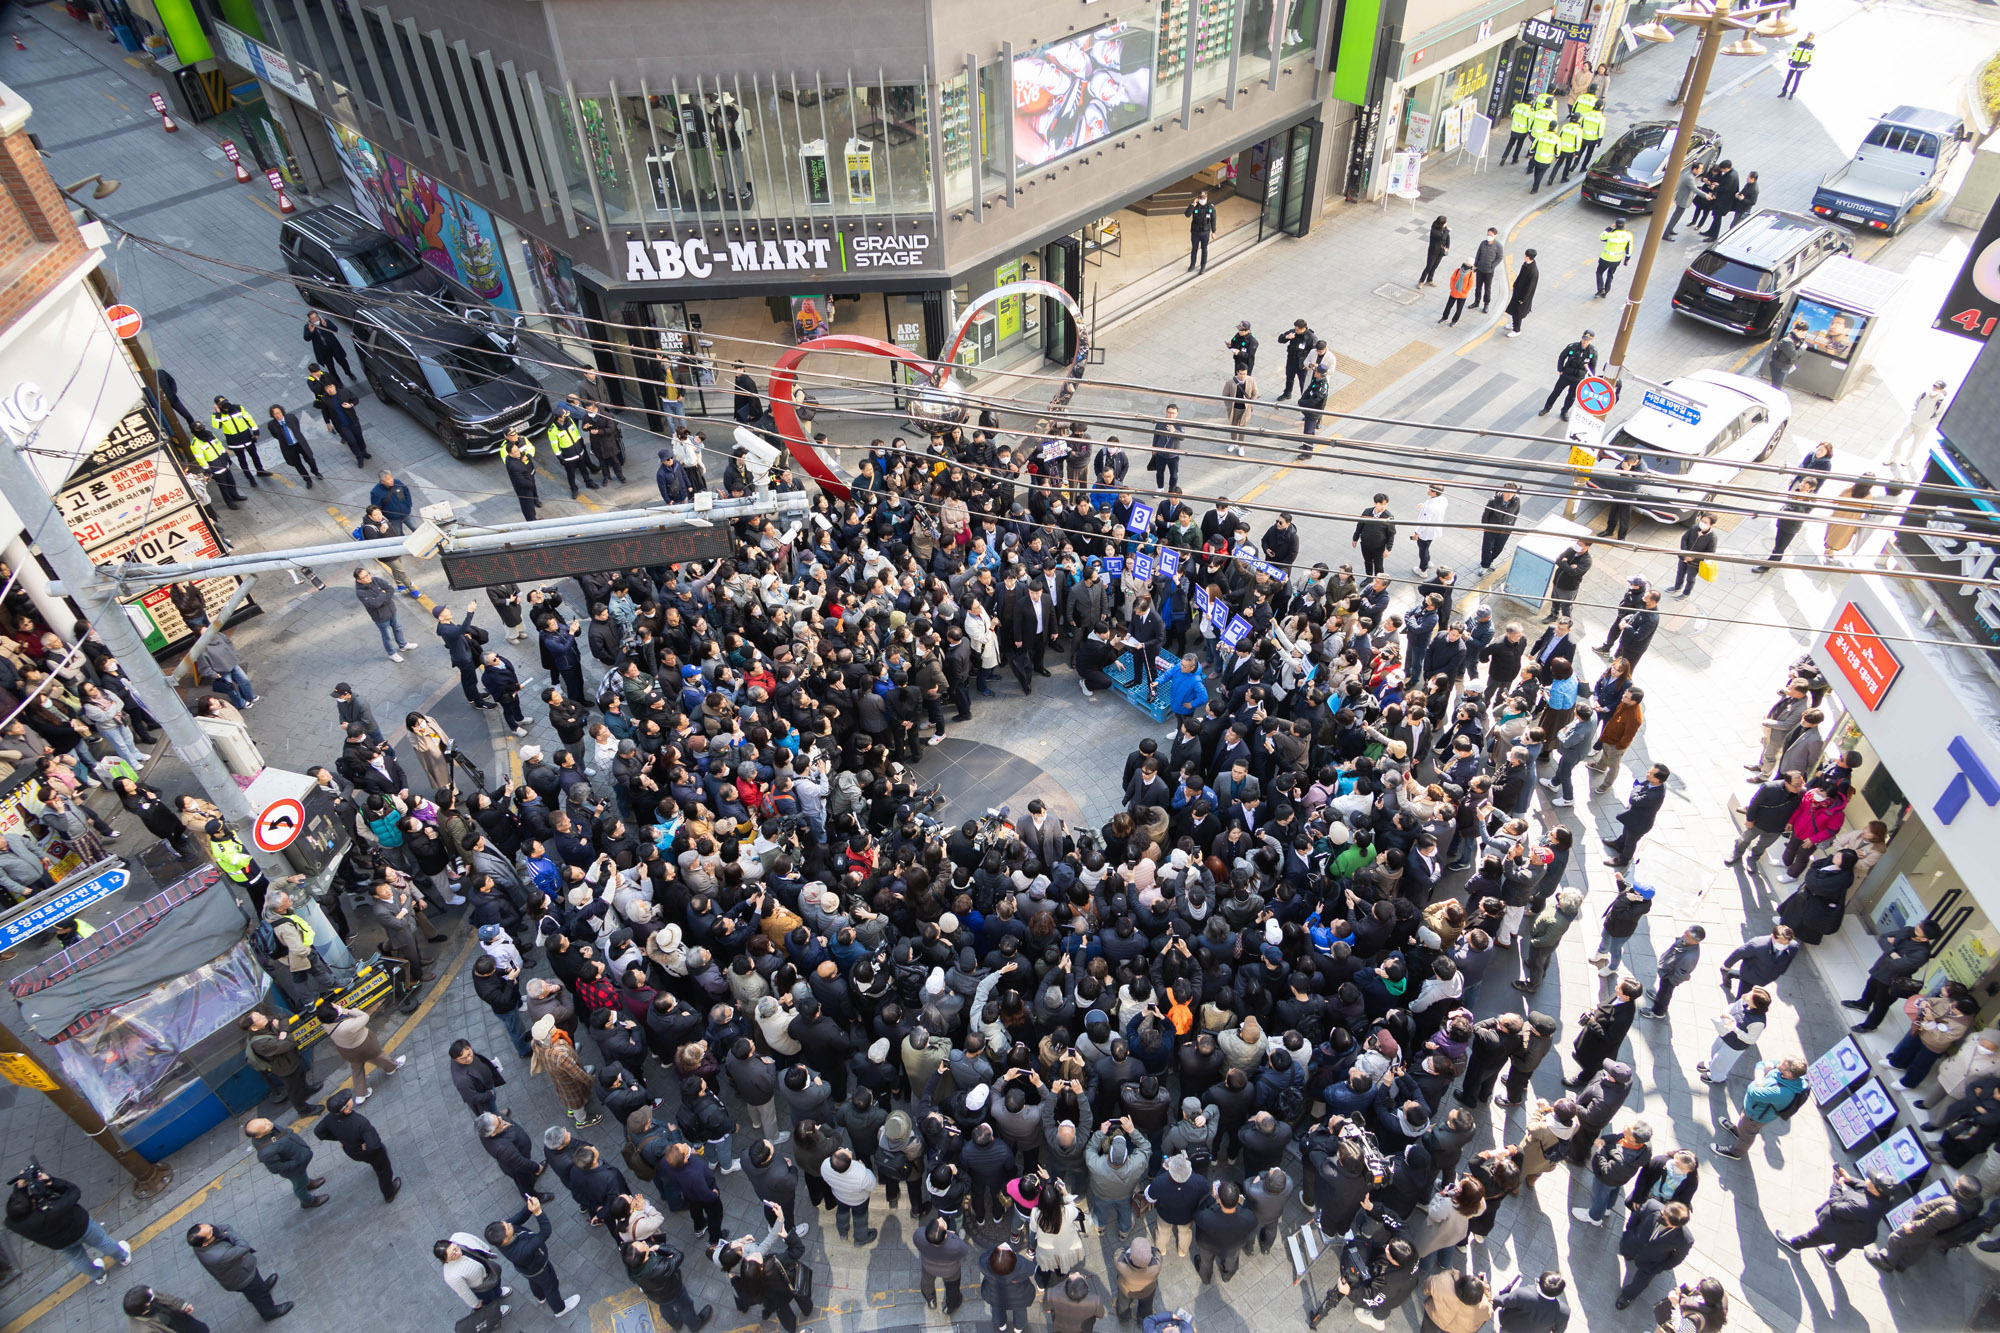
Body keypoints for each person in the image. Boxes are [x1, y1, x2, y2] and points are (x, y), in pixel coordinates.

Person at [5, 1167, 131, 1283]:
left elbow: (19, 1207)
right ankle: (122, 1257)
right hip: (81, 1227)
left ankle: (98, 1275)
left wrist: (19, 1187)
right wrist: (50, 1181)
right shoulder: (54, 1210)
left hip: (59, 1243)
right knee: (102, 1242)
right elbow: (73, 1191)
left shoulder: (12, 1223)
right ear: (32, 1206)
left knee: (78, 1259)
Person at [485, 1195, 582, 1318]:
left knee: (534, 1282)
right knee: (551, 1287)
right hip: (539, 1268)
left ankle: (540, 1297)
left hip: (529, 1271)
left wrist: (528, 1208)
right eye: (507, 1227)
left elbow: (519, 1218)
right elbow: (544, 1233)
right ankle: (560, 1309)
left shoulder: (501, 1234)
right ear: (504, 1240)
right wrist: (538, 1212)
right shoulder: (520, 1252)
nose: (509, 1224)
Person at [1777, 1166, 1894, 1264]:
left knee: (1817, 1235)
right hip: (1861, 1233)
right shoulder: (1887, 1199)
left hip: (1841, 1228)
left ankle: (1795, 1244)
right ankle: (1831, 1258)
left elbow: (1836, 1207)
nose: (1868, 1177)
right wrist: (1849, 1180)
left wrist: (1836, 1185)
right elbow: (1865, 1187)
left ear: (1876, 1191)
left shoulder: (1862, 1206)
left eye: (1871, 1179)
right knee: (1845, 1245)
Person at [186, 1222, 293, 1322]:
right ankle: (269, 1312)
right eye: (210, 1231)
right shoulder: (219, 1256)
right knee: (258, 1292)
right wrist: (229, 1234)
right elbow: (243, 1246)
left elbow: (225, 1226)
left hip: (240, 1272)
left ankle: (262, 1289)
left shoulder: (199, 1245)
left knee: (255, 1291)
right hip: (244, 1277)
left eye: (209, 1226)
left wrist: (225, 1233)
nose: (213, 1228)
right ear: (205, 1243)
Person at [312, 1087, 402, 1201]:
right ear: (346, 1109)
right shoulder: (360, 1123)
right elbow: (374, 1145)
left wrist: (340, 1138)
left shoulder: (329, 1118)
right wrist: (367, 1149)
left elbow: (318, 1132)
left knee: (373, 1161)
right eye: (349, 1100)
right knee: (384, 1170)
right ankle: (389, 1193)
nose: (351, 1099)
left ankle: (374, 1165)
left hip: (351, 1151)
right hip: (368, 1152)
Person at [1711, 1056, 1806, 1159]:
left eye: (1783, 1063)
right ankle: (1739, 1132)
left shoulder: (1783, 1093)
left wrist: (1760, 1079)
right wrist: (1760, 1082)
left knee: (1747, 1134)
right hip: (1752, 1108)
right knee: (1744, 1124)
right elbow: (1760, 1064)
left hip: (1756, 1116)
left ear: (1789, 1074)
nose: (1779, 1062)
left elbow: (1752, 1091)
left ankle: (1736, 1153)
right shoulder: (1784, 1071)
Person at [1615, 1199, 1693, 1310]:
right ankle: (1630, 1255)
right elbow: (1635, 1218)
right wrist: (1629, 1234)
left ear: (1674, 1226)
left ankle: (1627, 1296)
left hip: (1652, 1262)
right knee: (1626, 1251)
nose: (1661, 1214)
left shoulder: (1685, 1239)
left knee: (1640, 1283)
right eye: (1663, 1212)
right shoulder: (1651, 1205)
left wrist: (1660, 1267)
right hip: (1634, 1244)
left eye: (1665, 1217)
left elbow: (1677, 1258)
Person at [1572, 1119, 1651, 1225]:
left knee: (1599, 1196)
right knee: (1613, 1191)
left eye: (1627, 1128)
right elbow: (1620, 1137)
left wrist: (1601, 1149)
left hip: (1607, 1179)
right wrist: (1605, 1140)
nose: (1625, 1125)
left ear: (1632, 1138)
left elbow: (1605, 1169)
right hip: (1619, 1178)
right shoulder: (1644, 1145)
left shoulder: (1623, 1160)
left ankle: (1594, 1217)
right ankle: (1607, 1208)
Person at [623, 1237, 712, 1330]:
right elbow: (679, 1255)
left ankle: (676, 1324)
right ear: (644, 1257)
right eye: (642, 1245)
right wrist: (658, 1247)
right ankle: (695, 1325)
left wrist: (663, 1260)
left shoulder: (630, 1265)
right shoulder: (659, 1267)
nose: (644, 1242)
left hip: (655, 1295)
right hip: (673, 1291)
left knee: (665, 1308)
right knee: (686, 1307)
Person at [245, 1118, 326, 1209]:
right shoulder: (266, 1152)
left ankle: (307, 1183)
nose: (269, 1123)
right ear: (258, 1136)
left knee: (302, 1177)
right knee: (299, 1186)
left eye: (265, 1120)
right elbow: (276, 1168)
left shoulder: (271, 1128)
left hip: (299, 1161)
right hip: (294, 1170)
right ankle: (308, 1201)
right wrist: (296, 1163)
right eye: (265, 1126)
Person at [1602, 766, 1668, 867]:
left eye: (1650, 773)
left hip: (1639, 824)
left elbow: (1634, 800)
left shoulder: (1654, 795)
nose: (1647, 773)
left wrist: (1636, 788)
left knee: (1630, 842)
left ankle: (1623, 860)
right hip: (1634, 817)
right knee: (1626, 833)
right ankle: (1618, 844)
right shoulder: (1654, 783)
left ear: (1656, 780)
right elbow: (1642, 785)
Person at [352, 567, 413, 662]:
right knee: (387, 636)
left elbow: (390, 590)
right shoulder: (361, 593)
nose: (368, 577)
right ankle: (391, 653)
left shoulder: (376, 580)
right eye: (364, 577)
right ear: (359, 580)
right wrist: (382, 594)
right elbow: (374, 604)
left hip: (392, 611)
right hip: (381, 617)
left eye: (368, 574)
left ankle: (403, 645)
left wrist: (381, 599)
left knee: (398, 628)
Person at [1886, 380, 1950, 469]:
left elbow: (1939, 416)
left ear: (1941, 390)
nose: (1935, 388)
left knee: (1916, 444)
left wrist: (1929, 423)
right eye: (1934, 386)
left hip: (1924, 427)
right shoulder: (1924, 394)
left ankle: (1908, 459)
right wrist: (1914, 414)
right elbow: (1916, 404)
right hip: (1913, 422)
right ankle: (1893, 457)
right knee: (1900, 439)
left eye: (1938, 387)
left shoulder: (1941, 401)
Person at [1644, 926, 1704, 1018]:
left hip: (1670, 978)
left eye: (1687, 936)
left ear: (1695, 941)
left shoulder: (1689, 957)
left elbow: (1681, 974)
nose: (1684, 936)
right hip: (1667, 972)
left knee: (1665, 994)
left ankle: (1658, 1012)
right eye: (1685, 933)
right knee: (1662, 991)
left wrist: (1670, 980)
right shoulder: (1685, 943)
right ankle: (1658, 996)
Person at [915, 1215, 970, 1313]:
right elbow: (964, 1253)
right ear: (945, 1235)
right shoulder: (956, 1245)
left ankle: (931, 1301)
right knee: (952, 1289)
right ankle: (950, 1307)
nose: (940, 1218)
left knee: (926, 1282)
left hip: (928, 1267)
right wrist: (952, 1236)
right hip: (951, 1271)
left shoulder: (919, 1235)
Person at [981, 1243, 1038, 1333]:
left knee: (997, 1310)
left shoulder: (985, 1264)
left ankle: (1001, 1325)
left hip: (995, 1295)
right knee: (1020, 1312)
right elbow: (1032, 1268)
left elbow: (983, 1257)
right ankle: (1019, 1327)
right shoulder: (1021, 1266)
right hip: (1019, 1296)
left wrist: (995, 1249)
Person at [1541, 332, 1597, 420]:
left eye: (1587, 340)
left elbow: (1593, 366)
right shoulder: (1573, 347)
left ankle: (1564, 411)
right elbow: (1562, 357)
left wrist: (1590, 379)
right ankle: (1547, 408)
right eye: (1584, 339)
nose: (1585, 341)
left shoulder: (1592, 351)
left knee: (1571, 397)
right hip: (1566, 375)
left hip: (1578, 378)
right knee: (1555, 393)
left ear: (1591, 340)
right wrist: (1560, 369)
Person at [265, 405, 322, 489]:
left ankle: (316, 472)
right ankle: (307, 480)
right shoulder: (272, 425)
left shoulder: (291, 417)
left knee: (310, 459)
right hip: (289, 447)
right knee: (298, 464)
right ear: (272, 415)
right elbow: (275, 435)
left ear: (282, 412)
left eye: (278, 413)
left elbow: (297, 426)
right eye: (275, 414)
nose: (278, 415)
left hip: (299, 443)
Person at [1492, 1271, 1568, 1333]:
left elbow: (1500, 1301)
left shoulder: (1522, 1294)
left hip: (1510, 1327)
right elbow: (1558, 1331)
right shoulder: (1564, 1312)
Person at [1423, 1269, 1492, 1333]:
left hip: (1433, 1318)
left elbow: (1426, 1287)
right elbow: (1489, 1313)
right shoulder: (1483, 1307)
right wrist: (1486, 1289)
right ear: (1478, 1299)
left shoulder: (1444, 1281)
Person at [1671, 514, 1718, 600]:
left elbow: (1710, 553)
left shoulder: (1712, 537)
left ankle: (1686, 593)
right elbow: (1684, 539)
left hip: (1694, 563)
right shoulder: (1694, 528)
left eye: (1705, 522)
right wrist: (1685, 554)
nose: (1702, 523)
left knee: (1690, 579)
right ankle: (1677, 586)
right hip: (1684, 557)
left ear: (1711, 524)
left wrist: (1693, 558)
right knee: (1680, 572)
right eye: (1702, 521)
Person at [121, 1287, 207, 1332]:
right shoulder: (143, 1330)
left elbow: (166, 1297)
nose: (153, 1293)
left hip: (183, 1321)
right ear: (146, 1304)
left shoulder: (148, 1294)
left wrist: (182, 1305)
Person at [1221, 364, 1257, 455]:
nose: (1243, 376)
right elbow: (1225, 395)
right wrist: (1229, 406)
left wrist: (1250, 404)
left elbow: (1255, 393)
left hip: (1245, 409)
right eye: (1241, 374)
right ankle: (1233, 442)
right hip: (1234, 409)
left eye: (1245, 374)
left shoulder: (1251, 380)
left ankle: (1241, 446)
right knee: (1233, 426)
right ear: (1237, 372)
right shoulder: (1230, 382)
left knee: (1243, 428)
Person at [1148, 404, 1185, 491]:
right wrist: (1154, 448)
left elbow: (1182, 437)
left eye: (1173, 413)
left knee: (1174, 475)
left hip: (1173, 455)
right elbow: (1156, 435)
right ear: (1166, 412)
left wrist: (1174, 431)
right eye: (1169, 412)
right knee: (1159, 472)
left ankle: (1171, 490)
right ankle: (1160, 487)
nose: (1170, 415)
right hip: (1160, 453)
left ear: (1176, 414)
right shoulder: (1161, 423)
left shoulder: (1179, 424)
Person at [303, 311, 351, 377]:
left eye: (316, 317)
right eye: (313, 319)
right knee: (330, 367)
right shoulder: (308, 326)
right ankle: (337, 381)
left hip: (333, 346)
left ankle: (349, 373)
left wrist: (327, 325)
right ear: (310, 320)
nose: (315, 320)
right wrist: (311, 332)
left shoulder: (325, 321)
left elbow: (335, 329)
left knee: (342, 361)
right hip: (323, 350)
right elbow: (306, 338)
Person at [1504, 250, 1538, 337]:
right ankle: (1513, 324)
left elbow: (1530, 287)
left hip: (1522, 296)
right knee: (1514, 310)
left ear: (1528, 256)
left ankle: (1517, 329)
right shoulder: (1526, 265)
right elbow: (1520, 275)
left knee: (1518, 312)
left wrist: (1523, 299)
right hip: (1518, 292)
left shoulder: (1533, 271)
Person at [1595, 223, 1633, 298]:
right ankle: (1605, 292)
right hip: (1616, 260)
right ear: (1624, 225)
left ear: (1615, 225)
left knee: (1599, 272)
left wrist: (1609, 228)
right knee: (1610, 275)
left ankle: (1600, 289)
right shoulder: (1628, 236)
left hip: (1605, 258)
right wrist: (1627, 259)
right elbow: (1629, 249)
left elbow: (1601, 237)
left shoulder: (1611, 234)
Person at [1766, 321, 1804, 392]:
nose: (1803, 335)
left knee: (1777, 386)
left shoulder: (1794, 338)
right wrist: (1803, 348)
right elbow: (1794, 355)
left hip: (1783, 366)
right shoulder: (1788, 341)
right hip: (1780, 367)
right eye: (1802, 332)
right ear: (1796, 330)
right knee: (1776, 388)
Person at [1473, 228, 1504, 311]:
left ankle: (1486, 304)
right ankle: (1476, 302)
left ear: (1495, 236)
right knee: (1478, 287)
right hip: (1480, 269)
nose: (1488, 236)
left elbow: (1500, 257)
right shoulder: (1483, 243)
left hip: (1489, 271)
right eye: (1488, 234)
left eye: (1491, 235)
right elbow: (1478, 254)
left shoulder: (1498, 246)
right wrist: (1475, 265)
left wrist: (1492, 266)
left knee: (1487, 288)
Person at [1186, 190, 1218, 272]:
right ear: (1198, 198)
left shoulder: (1210, 207)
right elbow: (1187, 214)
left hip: (1205, 232)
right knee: (1194, 249)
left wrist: (1213, 232)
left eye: (1204, 198)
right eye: (1200, 197)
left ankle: (1203, 266)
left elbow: (1213, 220)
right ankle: (1192, 265)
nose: (1202, 199)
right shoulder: (1195, 206)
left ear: (1206, 198)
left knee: (1204, 249)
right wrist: (1193, 204)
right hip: (1195, 232)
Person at [1780, 33, 1814, 97]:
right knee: (1788, 79)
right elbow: (1793, 51)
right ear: (1807, 37)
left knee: (1796, 80)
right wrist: (1790, 59)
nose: (1809, 39)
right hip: (1794, 63)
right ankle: (1783, 92)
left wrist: (1809, 64)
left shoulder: (1812, 47)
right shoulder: (1799, 43)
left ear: (1812, 39)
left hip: (1802, 65)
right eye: (1809, 37)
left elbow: (1811, 56)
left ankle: (1792, 93)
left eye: (1811, 38)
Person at [1421, 216, 1451, 287]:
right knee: (1429, 266)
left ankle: (1429, 280)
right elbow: (1442, 237)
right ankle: (1421, 281)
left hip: (1441, 251)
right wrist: (1447, 231)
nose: (1446, 223)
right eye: (1445, 222)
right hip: (1433, 251)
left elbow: (1447, 237)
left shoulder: (1444, 228)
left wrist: (1447, 247)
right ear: (1441, 223)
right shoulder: (1434, 229)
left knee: (1435, 266)